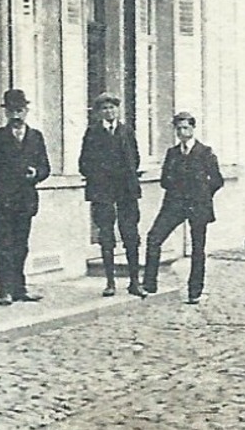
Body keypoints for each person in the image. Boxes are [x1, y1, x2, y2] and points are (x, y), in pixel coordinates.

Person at [141, 111, 224, 305]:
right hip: (175, 204)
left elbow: (217, 180)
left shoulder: (205, 152)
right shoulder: (172, 153)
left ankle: (195, 291)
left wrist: (203, 195)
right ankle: (149, 284)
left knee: (197, 248)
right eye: (178, 129)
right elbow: (164, 180)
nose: (182, 132)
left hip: (198, 205)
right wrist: (176, 188)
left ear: (193, 129)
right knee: (154, 238)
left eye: (186, 127)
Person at [0, 89, 51, 306]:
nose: (16, 116)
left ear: (26, 111)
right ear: (6, 113)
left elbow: (46, 167)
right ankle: (5, 291)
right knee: (3, 245)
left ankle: (20, 288)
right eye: (12, 111)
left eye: (20, 111)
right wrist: (0, 183)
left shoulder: (35, 137)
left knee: (21, 245)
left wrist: (35, 174)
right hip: (2, 200)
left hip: (25, 199)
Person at [78, 92, 145, 298]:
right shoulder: (92, 133)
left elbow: (135, 158)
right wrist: (100, 176)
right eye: (104, 109)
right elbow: (83, 164)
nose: (109, 112)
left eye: (112, 108)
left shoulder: (126, 131)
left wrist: (129, 177)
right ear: (99, 113)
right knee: (106, 236)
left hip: (126, 191)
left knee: (130, 235)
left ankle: (134, 281)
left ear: (118, 110)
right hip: (103, 191)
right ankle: (110, 282)